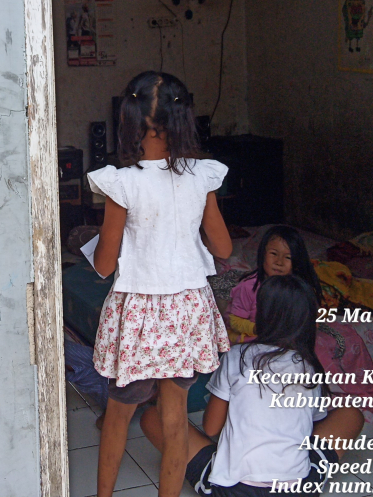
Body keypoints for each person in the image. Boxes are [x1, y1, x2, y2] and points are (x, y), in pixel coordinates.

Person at [87, 71, 233, 497]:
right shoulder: (201, 177)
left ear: (129, 120)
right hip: (187, 309)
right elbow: (223, 248)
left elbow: (104, 264)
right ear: (183, 119)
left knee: (119, 414)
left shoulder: (123, 183)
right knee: (175, 420)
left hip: (140, 314)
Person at [142, 275, 365, 496]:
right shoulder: (309, 367)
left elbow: (211, 428)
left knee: (153, 417)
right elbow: (312, 425)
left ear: (261, 315)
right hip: (297, 491)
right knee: (351, 415)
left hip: (232, 491)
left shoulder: (236, 357)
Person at [226, 225, 323, 343]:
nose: (279, 262)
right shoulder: (248, 287)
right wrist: (260, 329)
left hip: (284, 340)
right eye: (273, 253)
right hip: (253, 338)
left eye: (288, 257)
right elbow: (235, 322)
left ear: (296, 261)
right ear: (263, 253)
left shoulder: (297, 288)